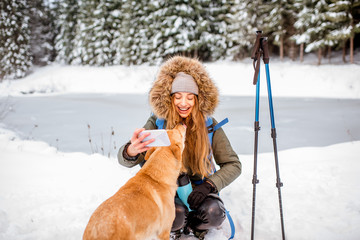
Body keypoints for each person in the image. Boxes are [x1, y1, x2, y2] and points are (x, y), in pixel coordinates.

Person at [118, 56, 241, 239]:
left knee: (214, 212)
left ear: (198, 99)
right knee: (175, 215)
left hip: (201, 191)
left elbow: (233, 164)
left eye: (190, 97)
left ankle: (197, 228)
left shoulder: (209, 125)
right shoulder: (158, 123)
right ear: (169, 98)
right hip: (168, 192)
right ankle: (177, 229)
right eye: (178, 97)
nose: (184, 103)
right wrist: (131, 151)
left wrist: (209, 185)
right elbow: (124, 159)